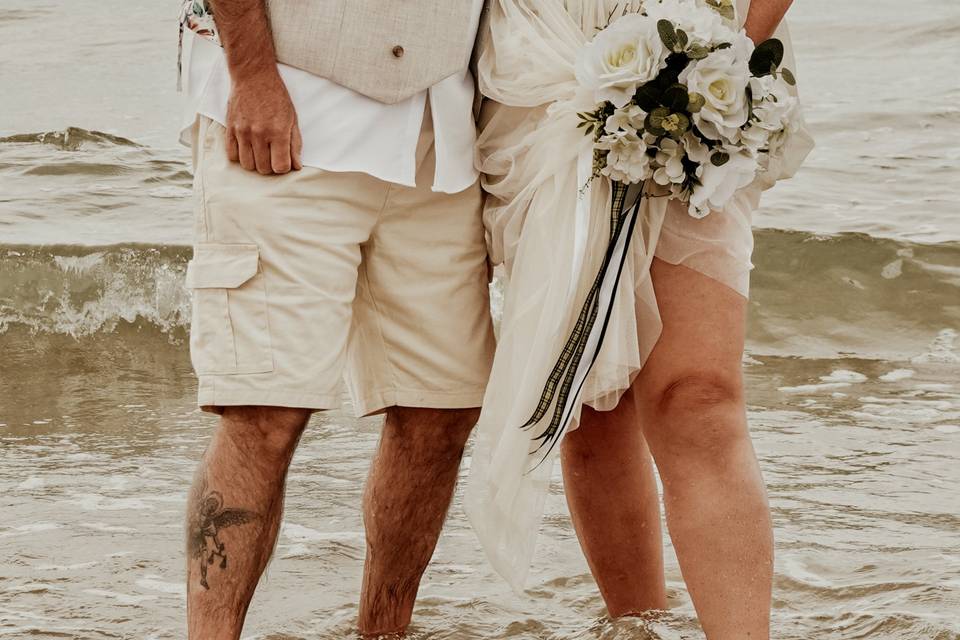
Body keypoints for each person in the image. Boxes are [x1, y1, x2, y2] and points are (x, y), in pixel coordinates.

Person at [464, 1, 813, 638]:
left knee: (698, 399)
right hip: (539, 59)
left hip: (703, 40)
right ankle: (638, 627)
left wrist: (729, 51)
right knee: (595, 403)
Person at [176, 1, 494, 637]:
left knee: (440, 409)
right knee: (264, 409)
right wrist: (253, 73)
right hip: (290, 111)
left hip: (442, 131)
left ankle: (384, 633)